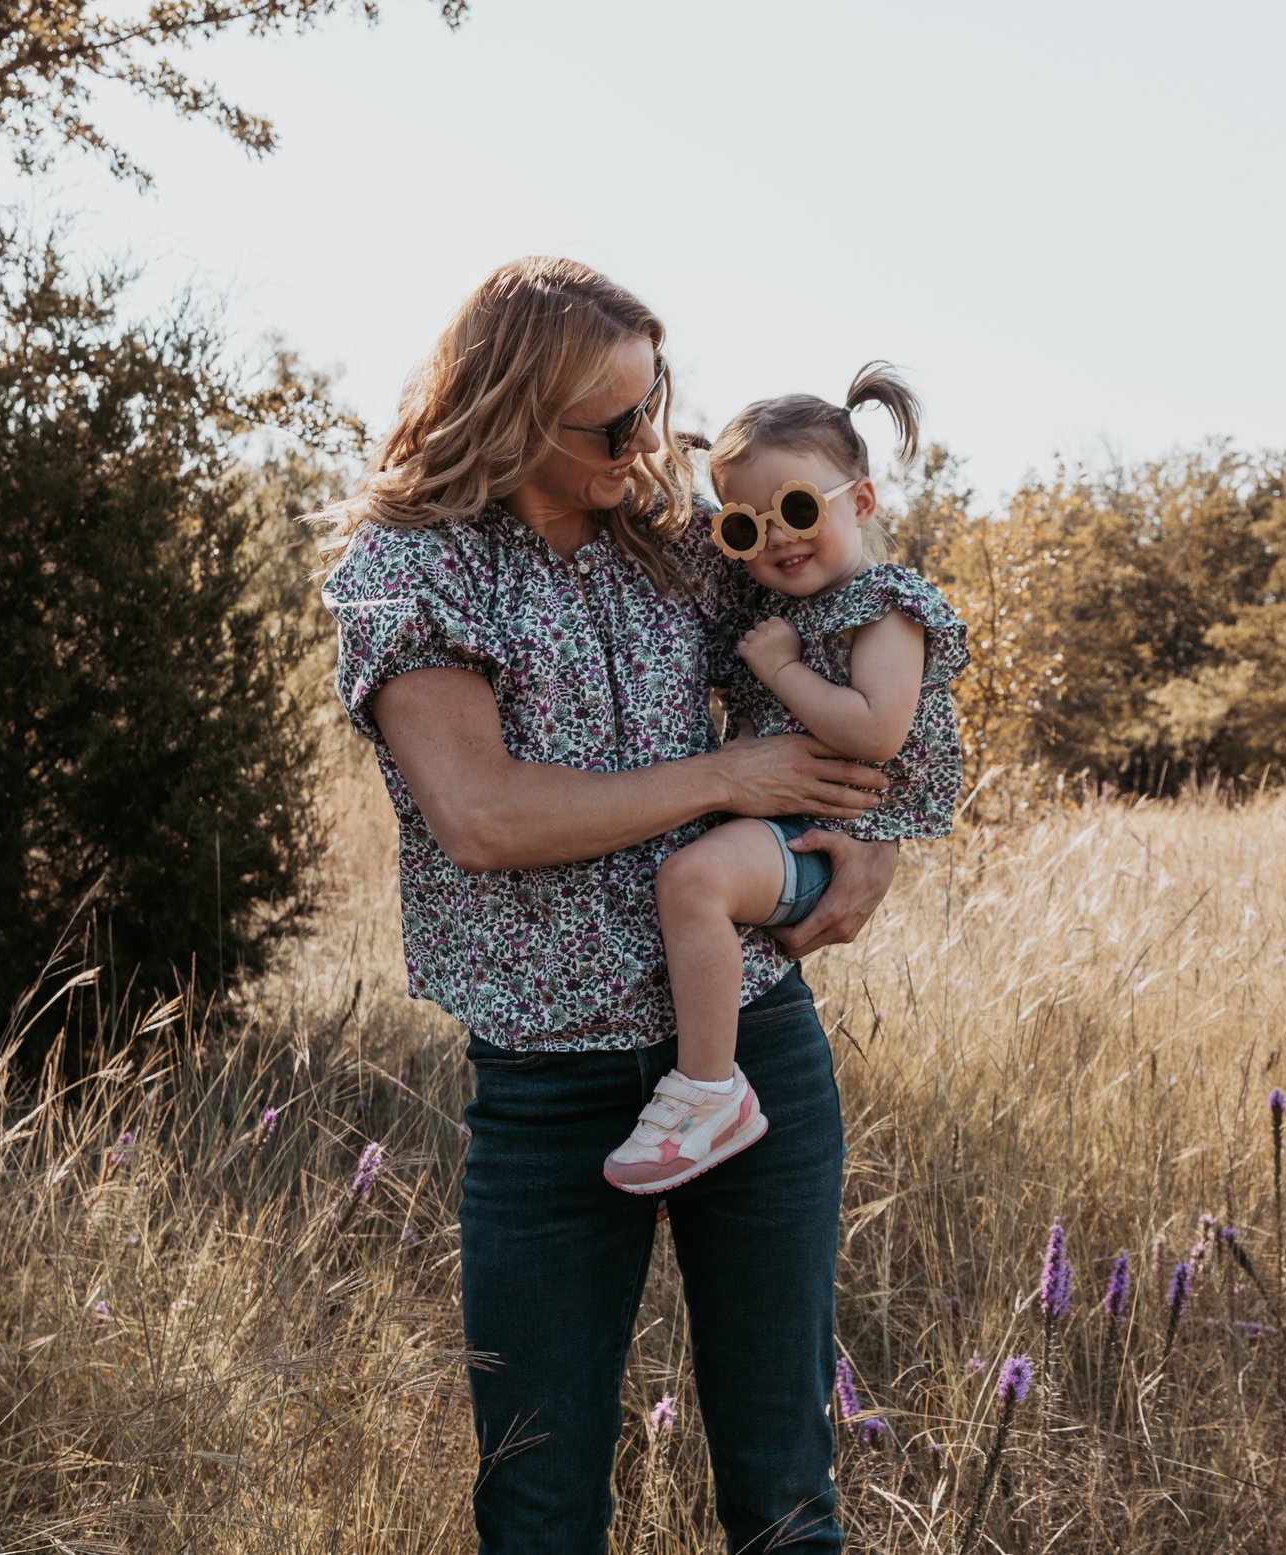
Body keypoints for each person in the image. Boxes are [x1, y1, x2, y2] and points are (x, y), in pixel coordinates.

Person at [316, 256, 892, 1555]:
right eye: (613, 423)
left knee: (786, 1490)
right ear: (511, 413)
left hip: (755, 1049)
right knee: (539, 1497)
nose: (649, 443)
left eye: (655, 403)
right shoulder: (415, 575)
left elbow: (867, 630)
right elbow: (485, 813)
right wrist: (727, 774)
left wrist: (880, 840)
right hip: (550, 1090)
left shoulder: (686, 542)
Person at [604, 366, 968, 1193]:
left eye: (799, 509)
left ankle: (708, 1091)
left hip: (818, 838)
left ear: (861, 503)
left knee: (692, 880)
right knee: (694, 879)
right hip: (787, 830)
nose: (778, 538)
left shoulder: (885, 607)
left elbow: (877, 727)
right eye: (744, 528)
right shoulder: (789, 608)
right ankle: (703, 1082)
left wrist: (781, 669)